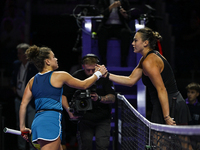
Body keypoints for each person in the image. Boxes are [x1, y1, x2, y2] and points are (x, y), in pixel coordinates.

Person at [19, 45, 107, 150]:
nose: (56, 59)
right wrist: (98, 73)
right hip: (50, 122)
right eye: (53, 57)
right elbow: (84, 85)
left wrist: (22, 127)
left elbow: (23, 104)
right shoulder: (60, 75)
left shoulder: (32, 80)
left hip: (37, 123)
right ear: (47, 61)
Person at [102, 27, 191, 125]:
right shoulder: (145, 59)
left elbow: (161, 89)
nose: (132, 43)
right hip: (165, 104)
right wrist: (107, 75)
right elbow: (130, 80)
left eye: (136, 40)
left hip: (170, 104)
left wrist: (167, 117)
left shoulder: (149, 61)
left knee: (180, 140)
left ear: (145, 43)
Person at [63, 54, 116, 150]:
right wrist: (69, 112)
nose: (91, 72)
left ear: (97, 66)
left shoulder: (105, 77)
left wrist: (99, 98)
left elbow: (113, 97)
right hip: (84, 118)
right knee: (85, 146)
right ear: (83, 66)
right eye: (88, 70)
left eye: (93, 70)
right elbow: (64, 95)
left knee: (102, 146)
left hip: (103, 118)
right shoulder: (77, 76)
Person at [10, 43, 38, 150]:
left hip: (30, 101)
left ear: (26, 54)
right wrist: (14, 88)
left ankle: (32, 148)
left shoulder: (34, 66)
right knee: (20, 126)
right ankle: (21, 147)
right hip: (19, 99)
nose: (18, 55)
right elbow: (14, 78)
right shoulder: (16, 64)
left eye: (20, 53)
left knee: (31, 126)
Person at [97, 0, 132, 67]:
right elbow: (102, 14)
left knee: (126, 33)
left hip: (120, 26)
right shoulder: (103, 1)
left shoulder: (124, 1)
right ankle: (103, 61)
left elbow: (129, 18)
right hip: (106, 26)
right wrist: (111, 7)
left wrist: (125, 15)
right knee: (101, 33)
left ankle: (123, 61)